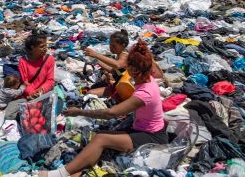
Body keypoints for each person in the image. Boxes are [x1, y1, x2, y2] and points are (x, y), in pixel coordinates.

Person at [42, 40, 168, 177]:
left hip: (152, 137)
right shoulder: (147, 77)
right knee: (99, 138)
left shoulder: (145, 93)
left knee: (101, 138)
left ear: (133, 69)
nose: (125, 68)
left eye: (127, 66)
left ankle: (59, 173)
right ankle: (76, 172)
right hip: (143, 128)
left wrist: (79, 112)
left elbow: (110, 113)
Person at [84, 29, 164, 99]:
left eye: (114, 45)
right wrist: (97, 61)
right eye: (110, 45)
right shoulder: (119, 55)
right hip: (118, 86)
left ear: (123, 45)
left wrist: (97, 55)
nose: (111, 48)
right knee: (90, 91)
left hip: (125, 88)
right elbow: (114, 70)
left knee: (90, 93)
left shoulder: (125, 55)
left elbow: (117, 65)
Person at [18, 29, 55, 99]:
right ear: (32, 48)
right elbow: (25, 82)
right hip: (28, 95)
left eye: (46, 46)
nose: (45, 49)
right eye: (42, 47)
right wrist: (32, 93)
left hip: (44, 93)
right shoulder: (23, 61)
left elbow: (50, 80)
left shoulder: (49, 59)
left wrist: (41, 91)